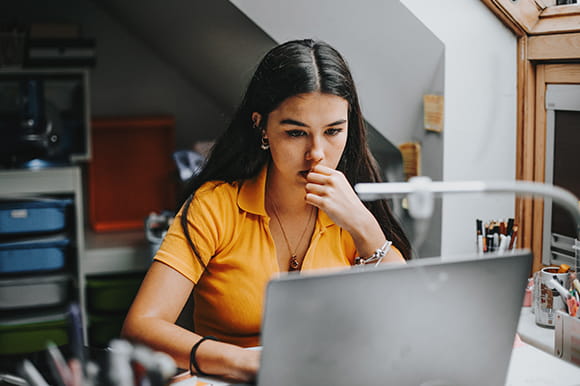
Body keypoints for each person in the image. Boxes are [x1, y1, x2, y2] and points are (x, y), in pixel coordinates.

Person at [121, 38, 411, 383]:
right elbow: (140, 327)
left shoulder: (352, 211)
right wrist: (248, 364)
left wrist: (365, 227)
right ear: (262, 126)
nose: (317, 153)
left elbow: (405, 324)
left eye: (333, 131)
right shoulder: (216, 205)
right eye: (295, 133)